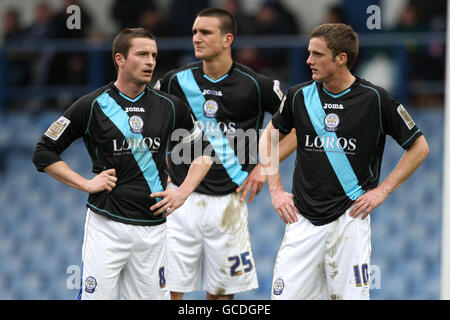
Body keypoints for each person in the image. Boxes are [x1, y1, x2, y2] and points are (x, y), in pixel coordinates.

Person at [32, 27, 212, 300]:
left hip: (153, 229)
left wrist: (183, 191)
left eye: (153, 55)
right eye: (141, 54)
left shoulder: (171, 106)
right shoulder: (91, 104)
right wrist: (85, 183)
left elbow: (204, 152)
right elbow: (44, 152)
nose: (150, 61)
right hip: (107, 226)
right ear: (120, 59)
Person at [259, 23, 429, 300]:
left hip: (350, 220)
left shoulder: (375, 98)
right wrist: (276, 191)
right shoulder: (299, 96)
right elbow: (267, 139)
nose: (308, 60)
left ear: (341, 58)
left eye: (317, 54)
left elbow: (419, 147)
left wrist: (383, 190)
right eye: (308, 53)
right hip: (302, 220)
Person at [155, 8, 296, 300]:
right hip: (179, 199)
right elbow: (148, 122)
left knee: (221, 293)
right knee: (167, 290)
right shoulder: (174, 81)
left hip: (228, 203)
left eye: (205, 32)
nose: (197, 38)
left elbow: (297, 129)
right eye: (194, 32)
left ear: (227, 39)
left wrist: (264, 167)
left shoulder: (258, 86)